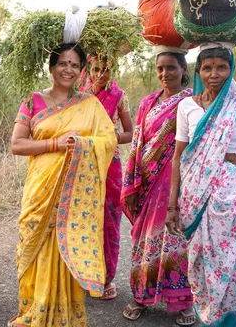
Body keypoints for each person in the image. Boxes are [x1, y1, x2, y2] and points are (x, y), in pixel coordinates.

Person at [9, 43, 117, 327]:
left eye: (74, 65)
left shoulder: (89, 104)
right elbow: (17, 145)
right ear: (51, 68)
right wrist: (56, 143)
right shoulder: (32, 101)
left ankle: (63, 316)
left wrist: (82, 144)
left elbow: (109, 140)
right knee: (35, 246)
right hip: (40, 191)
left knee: (66, 246)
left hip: (75, 196)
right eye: (62, 64)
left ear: (81, 71)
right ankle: (35, 311)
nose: (68, 70)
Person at [166, 44, 236, 326]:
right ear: (198, 71)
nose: (214, 74)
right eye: (207, 68)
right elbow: (178, 158)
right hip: (194, 195)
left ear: (231, 69)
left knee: (230, 265)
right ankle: (209, 317)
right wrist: (172, 206)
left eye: (221, 67)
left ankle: (229, 321)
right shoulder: (186, 106)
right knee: (200, 263)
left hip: (232, 196)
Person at [121, 51, 196, 325]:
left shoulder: (192, 101)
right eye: (160, 69)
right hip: (148, 182)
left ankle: (182, 301)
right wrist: (131, 183)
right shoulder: (147, 103)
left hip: (178, 182)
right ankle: (141, 295)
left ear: (183, 68)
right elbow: (137, 143)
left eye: (171, 68)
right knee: (145, 240)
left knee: (177, 239)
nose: (165, 74)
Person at [81, 55, 133, 300]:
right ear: (89, 69)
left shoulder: (118, 96)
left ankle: (106, 276)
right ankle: (84, 272)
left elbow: (130, 134)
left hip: (110, 164)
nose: (101, 74)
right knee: (83, 216)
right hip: (82, 163)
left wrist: (110, 136)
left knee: (109, 218)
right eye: (97, 69)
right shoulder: (78, 94)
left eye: (107, 69)